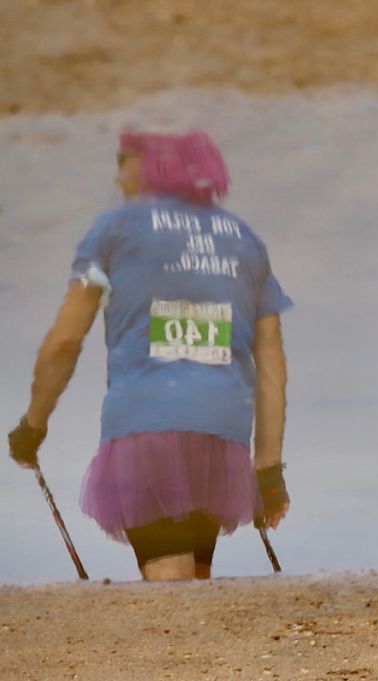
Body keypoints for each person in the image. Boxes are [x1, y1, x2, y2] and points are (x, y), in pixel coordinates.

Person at [8, 130, 292, 581]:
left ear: (150, 166)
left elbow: (65, 341)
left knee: (170, 591)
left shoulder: (115, 229)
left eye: (124, 161)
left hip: (145, 430)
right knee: (194, 581)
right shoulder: (245, 240)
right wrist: (269, 467)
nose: (118, 176)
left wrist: (34, 424)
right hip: (223, 435)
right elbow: (272, 365)